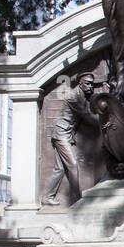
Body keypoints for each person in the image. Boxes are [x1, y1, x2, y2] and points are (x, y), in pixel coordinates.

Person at [42, 72, 99, 205]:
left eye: (92, 84)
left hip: (64, 134)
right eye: (88, 83)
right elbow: (87, 116)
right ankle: (76, 199)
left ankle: (47, 197)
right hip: (61, 134)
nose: (91, 87)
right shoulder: (73, 97)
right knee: (73, 165)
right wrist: (103, 123)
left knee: (59, 168)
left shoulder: (82, 95)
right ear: (80, 84)